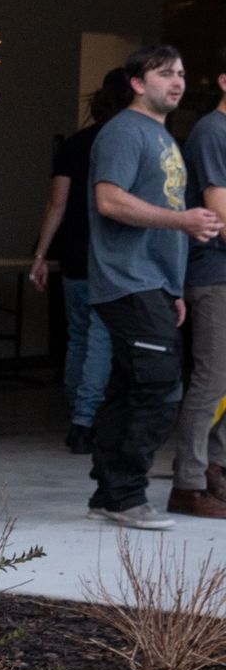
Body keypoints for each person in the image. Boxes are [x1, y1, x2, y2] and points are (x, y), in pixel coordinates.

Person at [87, 43, 223, 530]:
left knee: (129, 387)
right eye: (165, 74)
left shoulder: (164, 136)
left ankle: (109, 493)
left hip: (154, 285)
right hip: (126, 279)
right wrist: (181, 219)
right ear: (138, 83)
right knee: (159, 386)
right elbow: (109, 201)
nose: (178, 81)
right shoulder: (124, 132)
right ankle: (127, 497)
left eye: (182, 73)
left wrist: (175, 290)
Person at [28, 68, 130, 453]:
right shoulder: (125, 143)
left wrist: (40, 254)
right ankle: (85, 420)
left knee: (79, 337)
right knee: (101, 338)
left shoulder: (73, 145)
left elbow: (57, 201)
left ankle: (77, 411)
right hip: (109, 254)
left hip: (73, 252)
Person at [169, 52, 226, 520]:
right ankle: (188, 484)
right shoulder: (213, 131)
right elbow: (219, 215)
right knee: (211, 378)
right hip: (214, 274)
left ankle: (214, 468)